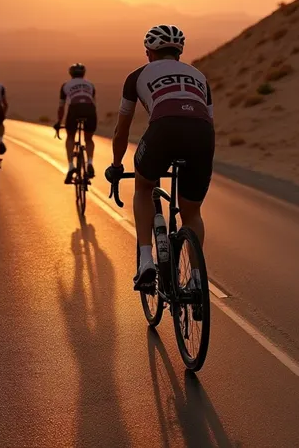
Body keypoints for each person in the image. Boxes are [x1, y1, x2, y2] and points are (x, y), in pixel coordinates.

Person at [105, 24, 215, 291]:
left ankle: (145, 262)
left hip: (163, 129)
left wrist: (117, 165)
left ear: (149, 53)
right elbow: (207, 122)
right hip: (202, 135)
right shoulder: (199, 75)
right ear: (178, 53)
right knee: (192, 212)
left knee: (144, 187)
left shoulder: (137, 75)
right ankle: (198, 280)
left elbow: (122, 130)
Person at [54, 63, 97, 184]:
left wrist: (59, 122)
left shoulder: (66, 85)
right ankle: (89, 163)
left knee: (70, 137)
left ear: (71, 73)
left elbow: (61, 107)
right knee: (89, 139)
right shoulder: (90, 85)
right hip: (90, 110)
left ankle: (71, 166)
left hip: (74, 109)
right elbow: (93, 103)